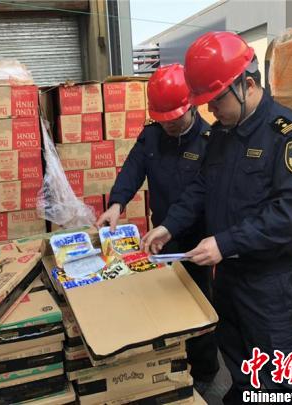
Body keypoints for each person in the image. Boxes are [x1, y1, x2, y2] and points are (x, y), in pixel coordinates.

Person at [141, 32, 292, 404]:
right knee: (240, 367)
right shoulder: (223, 135)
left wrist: (225, 242)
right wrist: (169, 225)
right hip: (228, 278)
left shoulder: (289, 136)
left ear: (247, 85)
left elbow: (288, 215)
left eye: (215, 99)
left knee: (282, 384)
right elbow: (200, 187)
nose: (210, 111)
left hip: (270, 286)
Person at [96, 63, 220, 391]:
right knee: (163, 301)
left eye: (173, 119)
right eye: (162, 119)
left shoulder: (209, 141)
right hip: (160, 234)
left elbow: (197, 198)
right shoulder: (152, 135)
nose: (168, 125)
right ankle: (170, 364)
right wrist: (117, 204)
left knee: (197, 305)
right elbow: (133, 169)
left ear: (191, 106)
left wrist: (170, 227)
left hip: (195, 240)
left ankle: (205, 371)